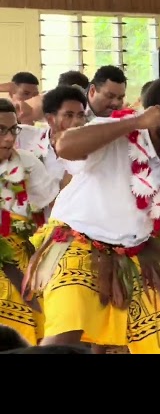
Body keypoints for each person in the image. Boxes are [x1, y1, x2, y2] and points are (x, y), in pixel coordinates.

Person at [22, 73, 160, 354]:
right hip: (77, 241)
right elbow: (66, 146)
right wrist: (136, 122)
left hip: (137, 248)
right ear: (159, 116)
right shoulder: (114, 129)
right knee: (67, 327)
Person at [0, 99, 59, 345]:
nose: (8, 138)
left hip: (23, 251)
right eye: (0, 131)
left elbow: (53, 209)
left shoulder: (27, 162)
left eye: (13, 129)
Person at [16, 86, 87, 193]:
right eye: (69, 115)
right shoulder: (25, 136)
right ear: (50, 119)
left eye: (80, 115)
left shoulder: (88, 151)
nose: (77, 122)